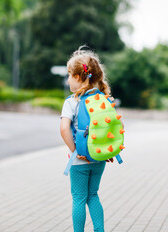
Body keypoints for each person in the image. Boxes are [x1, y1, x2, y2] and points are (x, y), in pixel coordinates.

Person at [60, 46, 115, 232]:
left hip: (79, 159)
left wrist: (75, 150)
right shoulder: (104, 99)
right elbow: (117, 127)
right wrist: (109, 149)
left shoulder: (71, 101)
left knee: (78, 198)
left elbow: (63, 128)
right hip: (99, 157)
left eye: (69, 75)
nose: (68, 79)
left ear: (77, 77)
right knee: (93, 195)